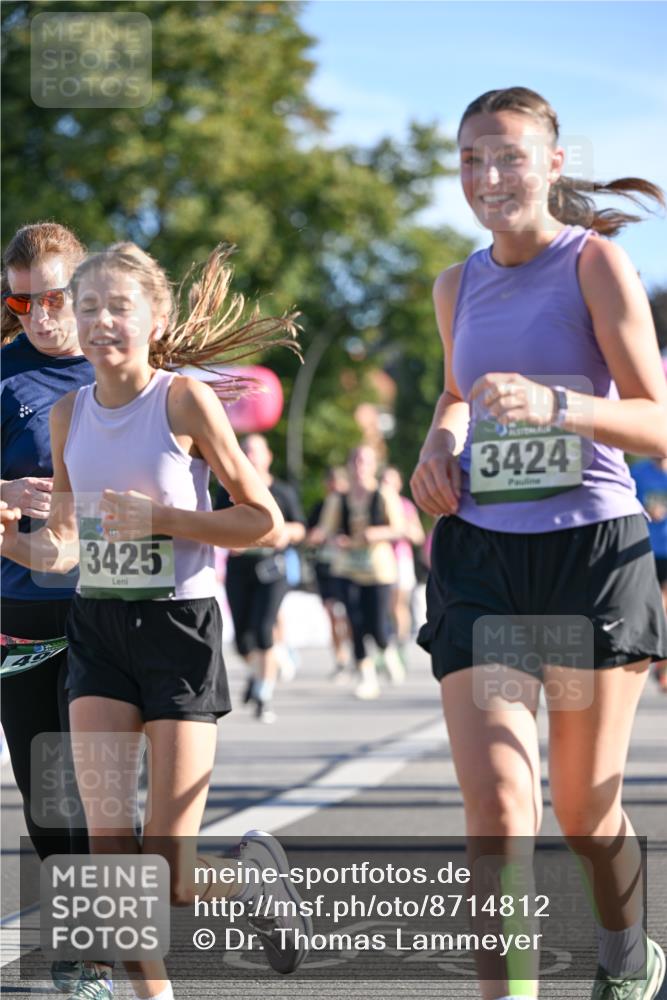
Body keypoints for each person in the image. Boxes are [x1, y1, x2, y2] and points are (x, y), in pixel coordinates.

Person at [410, 86, 667, 1000]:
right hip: (480, 558)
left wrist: (559, 404)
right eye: (472, 159)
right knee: (497, 809)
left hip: (591, 556)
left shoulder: (594, 265)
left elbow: (658, 420)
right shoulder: (455, 284)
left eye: (508, 155)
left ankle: (627, 951)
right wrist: (435, 447)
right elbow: (452, 392)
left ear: (551, 163)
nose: (488, 176)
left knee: (583, 811)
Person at [2, 242, 311, 1000]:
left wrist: (164, 520)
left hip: (179, 632)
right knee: (112, 858)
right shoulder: (71, 414)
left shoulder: (182, 400)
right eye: (90, 307)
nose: (102, 320)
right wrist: (11, 539)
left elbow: (261, 520)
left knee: (169, 873)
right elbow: (68, 550)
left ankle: (246, 882)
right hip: (98, 632)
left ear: (154, 316)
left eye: (119, 306)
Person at [0, 222, 110, 996]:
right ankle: (83, 957)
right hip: (21, 614)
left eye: (57, 297)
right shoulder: (3, 380)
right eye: (23, 301)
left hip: (115, 607)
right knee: (49, 792)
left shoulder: (131, 368)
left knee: (105, 793)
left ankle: (116, 955)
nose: (42, 315)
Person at [216, 433, 306, 722]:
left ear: (268, 456)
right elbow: (214, 525)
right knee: (243, 639)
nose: (251, 456)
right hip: (239, 568)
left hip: (273, 569)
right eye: (245, 451)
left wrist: (282, 534)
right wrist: (230, 539)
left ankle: (263, 696)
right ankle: (259, 673)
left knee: (264, 628)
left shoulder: (282, 491)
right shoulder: (227, 491)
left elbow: (301, 528)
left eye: (256, 451)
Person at [318, 445, 405, 699]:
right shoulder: (338, 499)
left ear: (374, 465)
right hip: (347, 568)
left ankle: (385, 648)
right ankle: (366, 675)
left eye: (365, 461)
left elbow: (400, 528)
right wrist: (333, 540)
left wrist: (377, 533)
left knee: (377, 624)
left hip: (378, 569)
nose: (359, 466)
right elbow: (326, 530)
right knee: (354, 622)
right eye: (355, 460)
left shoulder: (384, 494)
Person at [306, 466, 353, 678]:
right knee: (332, 613)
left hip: (347, 567)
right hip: (325, 566)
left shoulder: (350, 506)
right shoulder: (319, 507)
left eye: (339, 483)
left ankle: (356, 653)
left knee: (349, 613)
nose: (335, 487)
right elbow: (309, 536)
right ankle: (340, 658)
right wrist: (316, 536)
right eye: (331, 483)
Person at [631, 456, 667, 690]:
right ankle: (659, 663)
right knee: (654, 608)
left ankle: (663, 668)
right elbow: (626, 501)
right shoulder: (639, 471)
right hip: (646, 548)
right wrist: (645, 509)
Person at [380, 466, 425, 655]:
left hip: (401, 560)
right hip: (381, 561)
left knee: (399, 604)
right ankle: (385, 643)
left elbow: (418, 536)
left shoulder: (406, 506)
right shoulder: (375, 503)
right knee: (384, 606)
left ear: (398, 485)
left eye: (391, 482)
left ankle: (400, 643)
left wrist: (402, 529)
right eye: (384, 481)